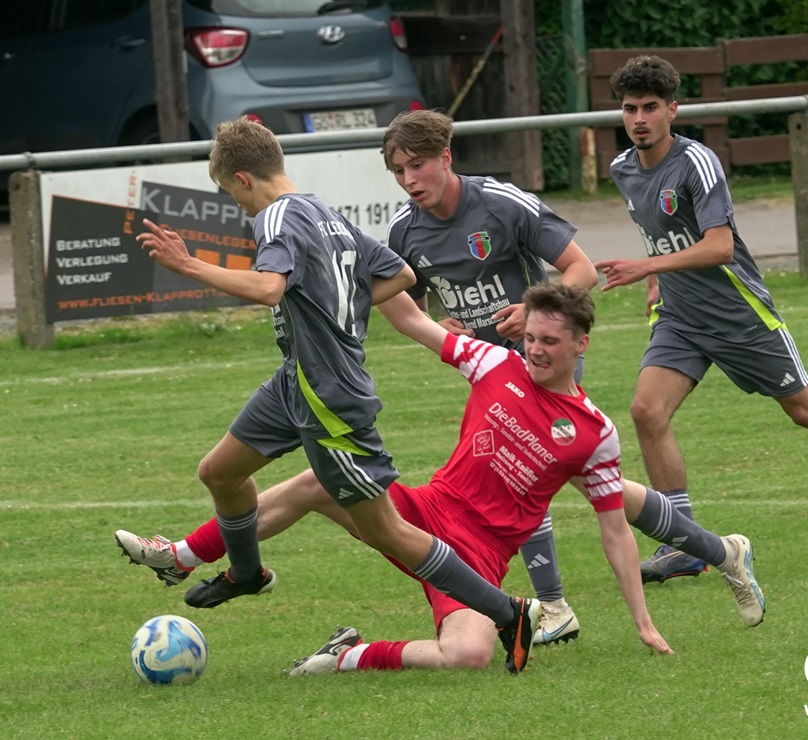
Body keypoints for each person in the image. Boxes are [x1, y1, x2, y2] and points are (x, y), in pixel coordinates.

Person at [119, 284, 765, 676]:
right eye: (532, 338)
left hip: (478, 557)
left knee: (470, 656)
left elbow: (614, 530)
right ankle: (185, 553)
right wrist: (369, 265)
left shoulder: (594, 432)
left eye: (550, 341)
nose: (536, 350)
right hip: (425, 511)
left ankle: (347, 655)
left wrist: (642, 622)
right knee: (320, 479)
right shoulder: (493, 362)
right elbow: (412, 321)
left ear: (581, 345)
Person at [133, 116, 542, 674]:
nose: (237, 204)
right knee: (220, 472)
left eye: (231, 193)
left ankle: (507, 612)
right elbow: (401, 274)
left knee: (386, 530)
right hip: (294, 379)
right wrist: (336, 307)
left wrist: (187, 264)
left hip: (328, 394)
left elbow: (270, 287)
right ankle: (247, 573)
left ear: (244, 179)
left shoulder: (275, 216)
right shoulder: (322, 212)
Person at [593, 55, 808, 574]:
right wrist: (659, 279)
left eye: (650, 107)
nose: (639, 119)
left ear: (672, 110)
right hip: (681, 317)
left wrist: (647, 267)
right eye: (629, 109)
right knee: (647, 411)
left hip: (739, 315)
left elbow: (720, 246)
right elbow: (662, 233)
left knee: (807, 412)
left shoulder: (697, 163)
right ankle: (686, 545)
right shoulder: (623, 169)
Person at [381, 109, 598, 642]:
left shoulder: (501, 204)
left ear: (445, 157)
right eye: (398, 171)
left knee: (520, 477)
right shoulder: (404, 230)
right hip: (485, 374)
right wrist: (437, 325)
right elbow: (406, 302)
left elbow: (582, 270)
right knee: (576, 481)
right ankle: (713, 548)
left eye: (417, 165)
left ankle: (554, 608)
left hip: (540, 360)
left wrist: (535, 313)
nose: (409, 180)